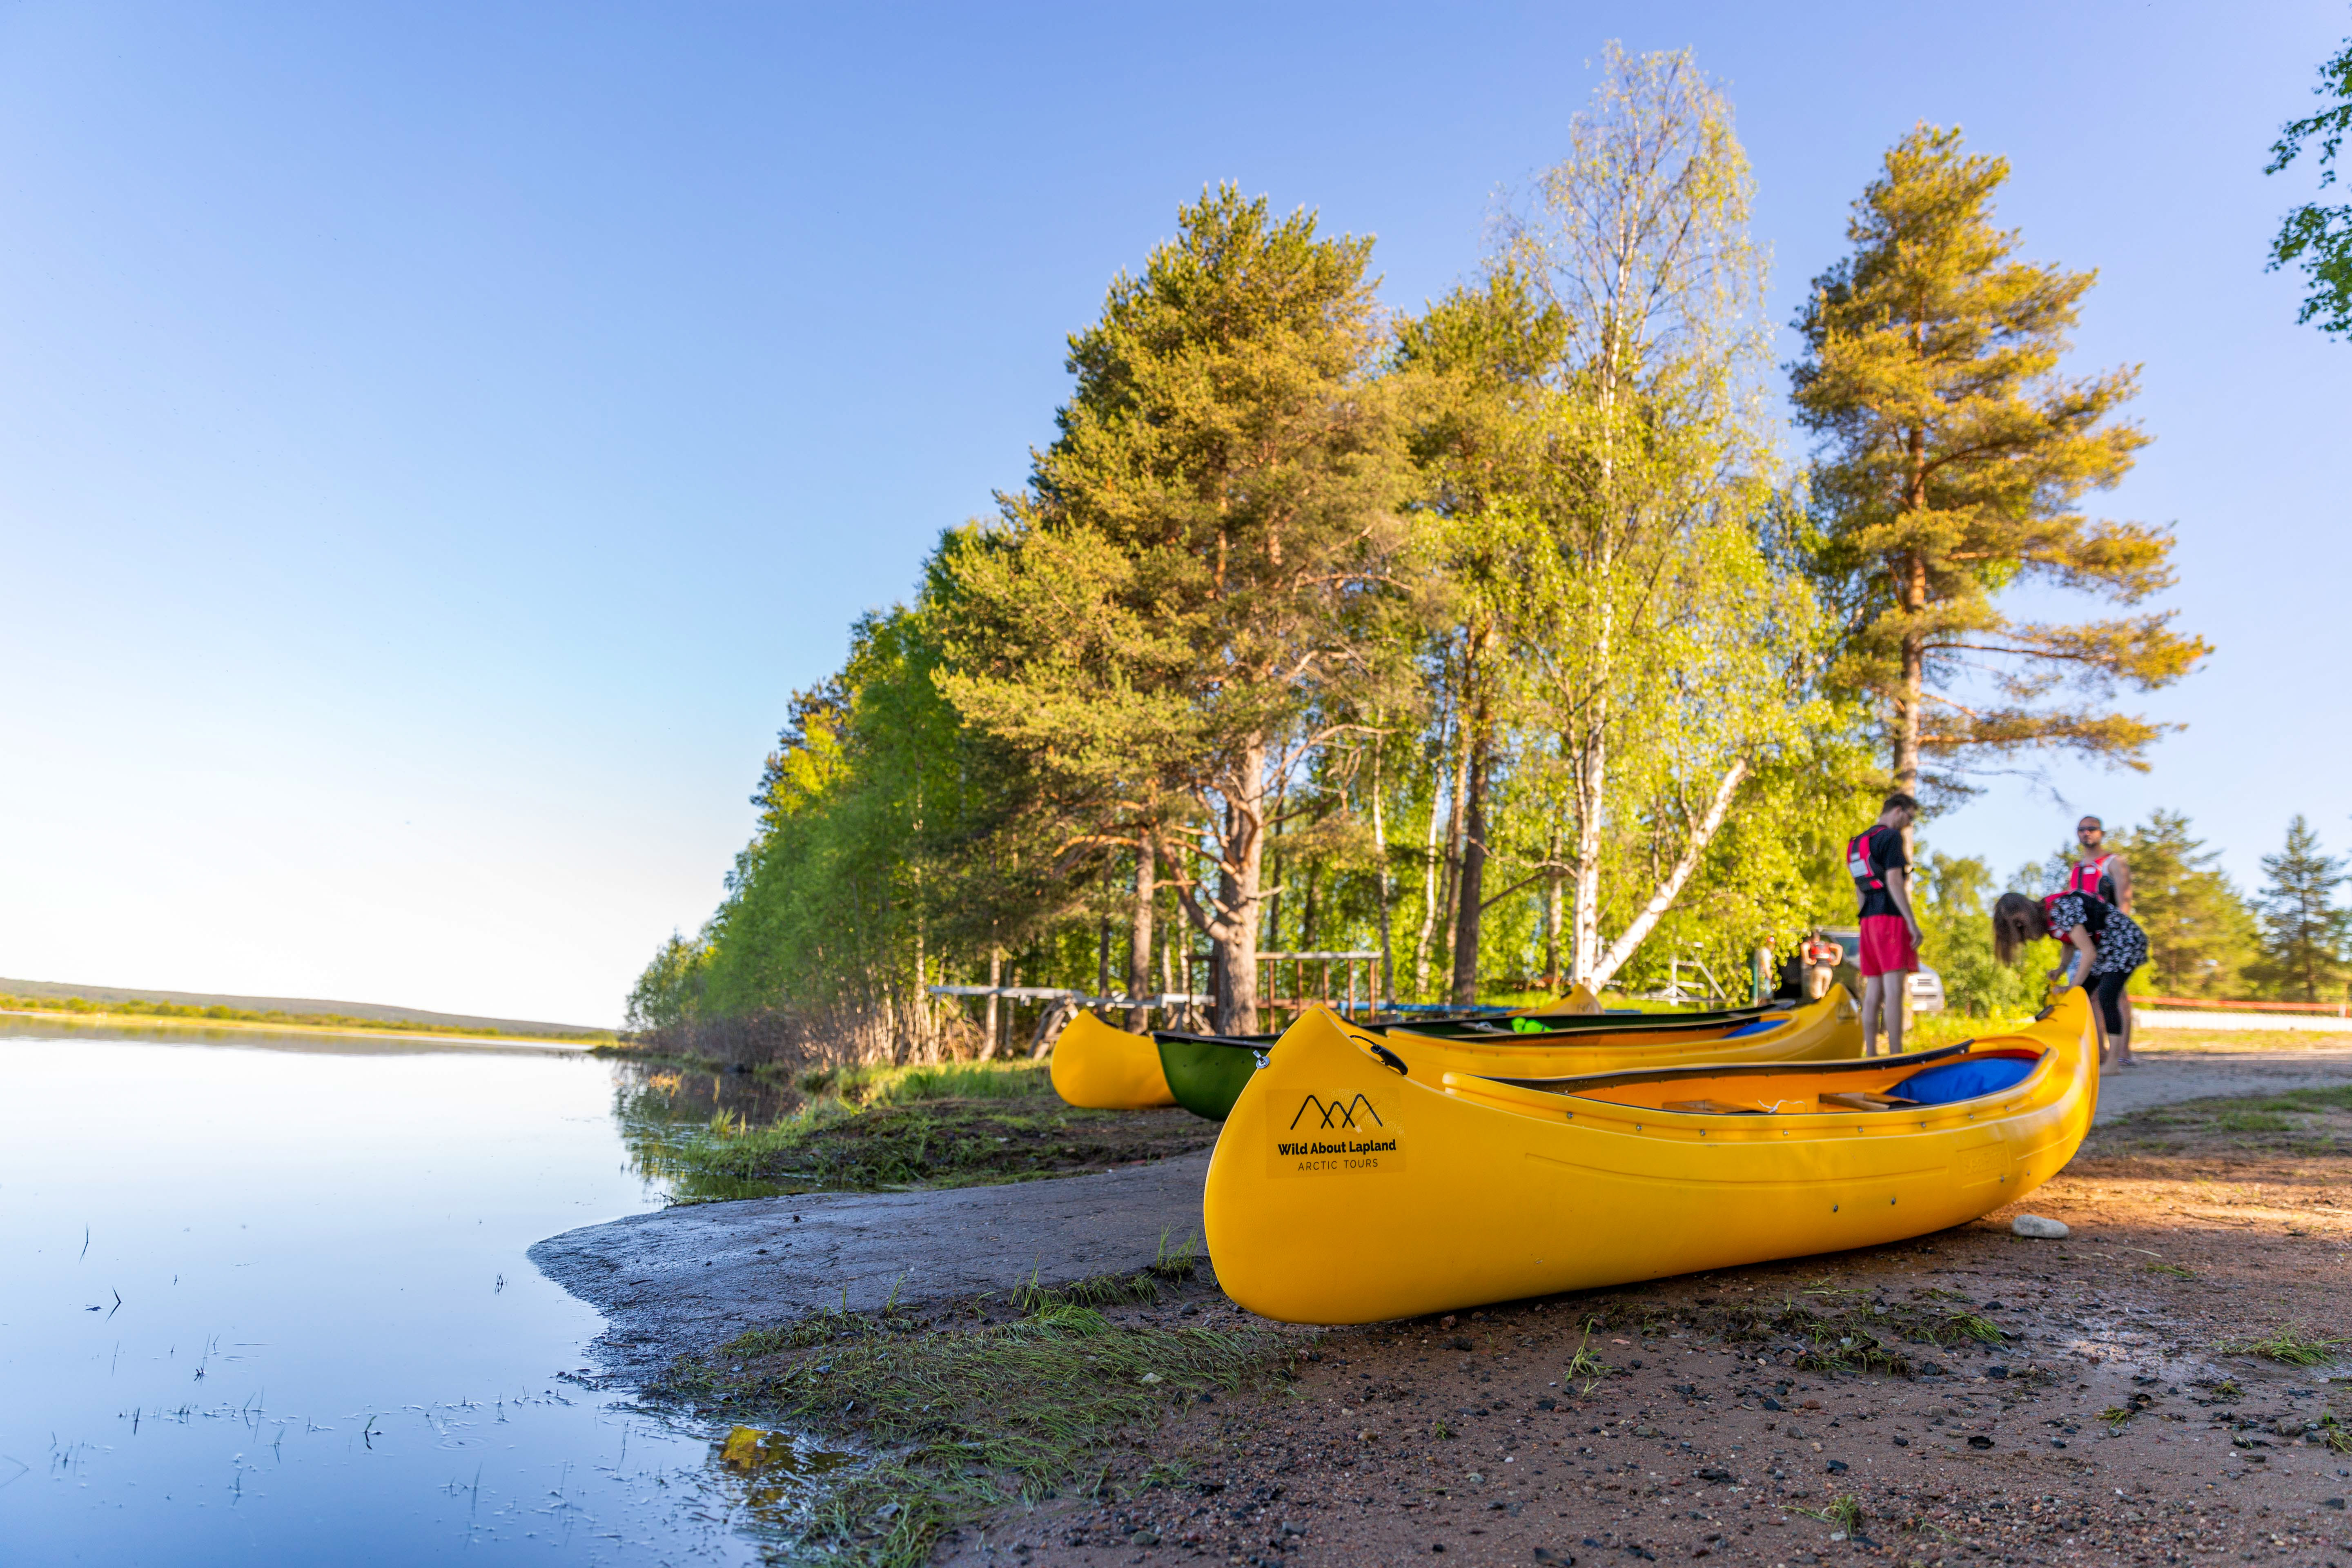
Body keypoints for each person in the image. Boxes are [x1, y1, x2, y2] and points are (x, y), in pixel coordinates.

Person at [1992, 887, 2148, 1070]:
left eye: (2020, 927)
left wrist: (2072, 985)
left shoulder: (2059, 910)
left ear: (2023, 915)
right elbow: (2070, 943)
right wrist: (2062, 968)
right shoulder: (2048, 918)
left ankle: (2114, 1062)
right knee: (2084, 995)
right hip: (2106, 947)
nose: (2023, 933)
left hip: (2125, 942)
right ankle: (2098, 1053)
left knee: (2106, 996)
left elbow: (2088, 953)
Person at [1847, 793, 1923, 1056]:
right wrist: (1911, 923)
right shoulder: (1891, 837)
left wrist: (1865, 919)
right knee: (1894, 992)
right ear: (1898, 810)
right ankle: (1896, 1055)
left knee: (1873, 992)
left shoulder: (1858, 843)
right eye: (1909, 818)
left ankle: (1870, 1056)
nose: (1908, 825)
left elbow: (1860, 889)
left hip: (1868, 921)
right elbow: (1894, 882)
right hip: (1890, 919)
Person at [1801, 928, 1845, 1000]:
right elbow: (1839, 948)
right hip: (1828, 971)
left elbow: (1804, 947)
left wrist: (1807, 960)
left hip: (1818, 970)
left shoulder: (1812, 945)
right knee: (1824, 994)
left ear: (1810, 939)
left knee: (1816, 995)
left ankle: (1817, 1008)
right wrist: (1837, 961)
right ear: (1819, 938)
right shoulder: (1826, 945)